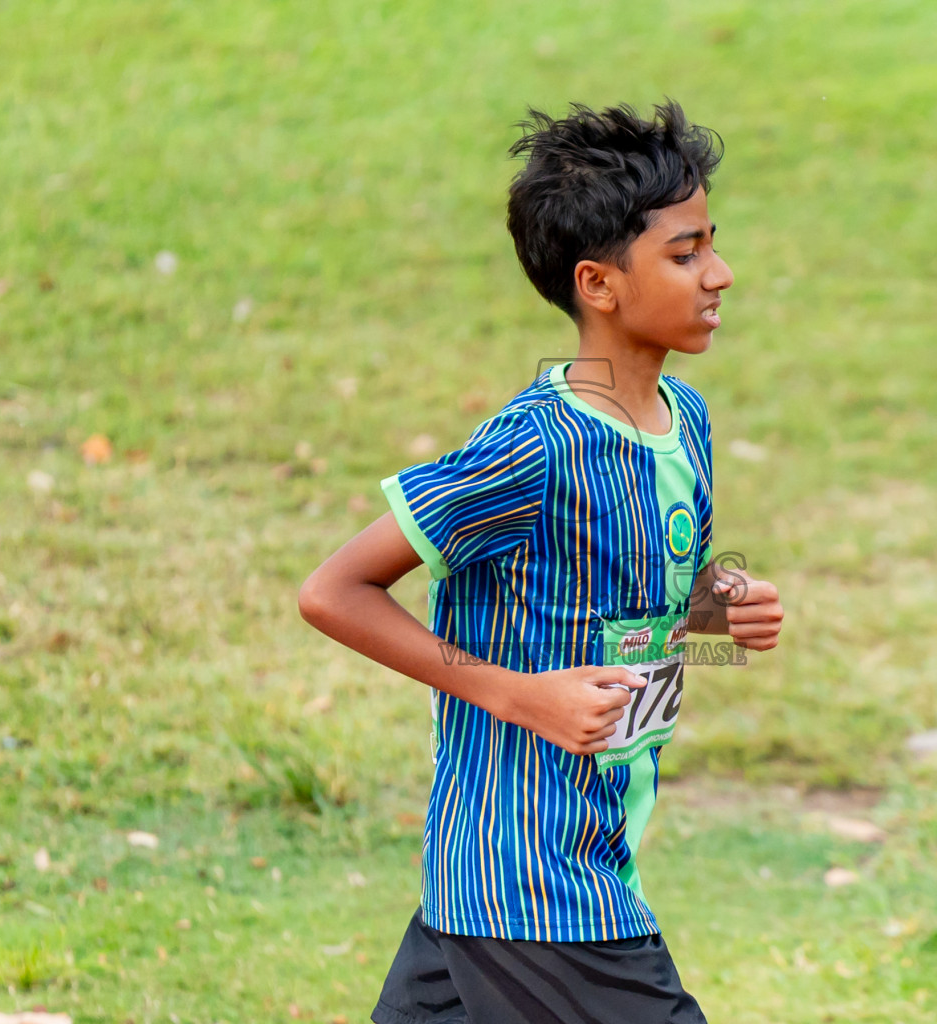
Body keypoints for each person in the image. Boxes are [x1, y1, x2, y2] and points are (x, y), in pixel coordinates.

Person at [299, 99, 785, 1024]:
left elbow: (632, 609)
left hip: (553, 859)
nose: (720, 274)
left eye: (712, 244)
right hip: (537, 881)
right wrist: (516, 695)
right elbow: (332, 592)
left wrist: (723, 612)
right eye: (684, 255)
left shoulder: (684, 420)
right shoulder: (534, 447)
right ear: (598, 285)